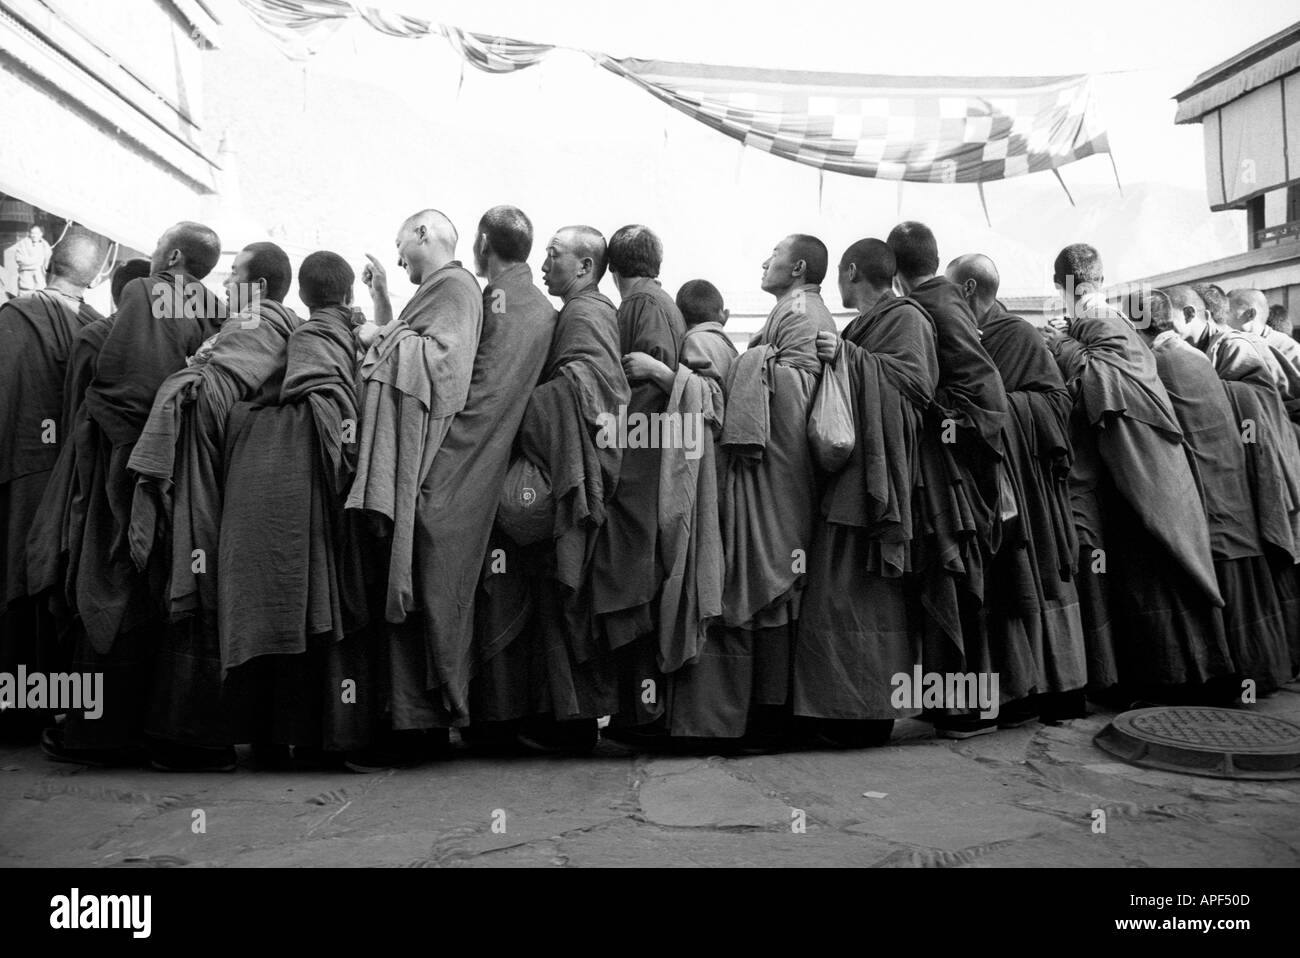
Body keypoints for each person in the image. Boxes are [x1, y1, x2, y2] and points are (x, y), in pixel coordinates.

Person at [39, 221, 224, 766]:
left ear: (171, 255)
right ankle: (164, 730)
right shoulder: (219, 310)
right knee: (169, 591)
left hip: (125, 468)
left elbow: (126, 391)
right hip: (187, 473)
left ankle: (100, 734)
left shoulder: (152, 292)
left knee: (111, 583)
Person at [126, 242, 301, 771]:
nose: (225, 287)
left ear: (261, 288)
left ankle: (201, 740)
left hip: (213, 481)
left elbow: (215, 389)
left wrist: (190, 378)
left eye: (235, 278)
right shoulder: (265, 324)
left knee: (196, 579)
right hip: (228, 479)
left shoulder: (260, 322)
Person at [1046, 245, 1230, 704]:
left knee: (1160, 574)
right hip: (1145, 468)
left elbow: (1099, 383)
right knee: (1158, 576)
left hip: (1144, 471)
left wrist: (1060, 345)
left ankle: (1181, 683)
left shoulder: (1096, 317)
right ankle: (1181, 680)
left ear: (1062, 285)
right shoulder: (1112, 322)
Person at [402, 205, 554, 751]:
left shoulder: (492, 298)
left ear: (483, 242)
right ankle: (473, 708)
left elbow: (463, 377)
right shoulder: (543, 306)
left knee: (429, 535)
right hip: (506, 464)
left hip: (468, 451)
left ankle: (446, 700)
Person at [218, 251, 371, 767]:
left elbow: (320, 397)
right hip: (308, 485)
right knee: (306, 613)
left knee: (284, 607)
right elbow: (326, 401)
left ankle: (277, 740)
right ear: (348, 296)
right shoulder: (340, 334)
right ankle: (307, 741)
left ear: (302, 296)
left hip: (284, 479)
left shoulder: (304, 334)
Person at [344, 209, 482, 769]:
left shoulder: (454, 285)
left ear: (424, 233)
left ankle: (415, 734)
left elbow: (442, 363)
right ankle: (405, 727)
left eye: (399, 240)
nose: (397, 253)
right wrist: (383, 309)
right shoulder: (434, 290)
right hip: (417, 458)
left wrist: (379, 334)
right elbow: (412, 341)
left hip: (428, 464)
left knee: (412, 590)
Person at [793, 239, 936, 747]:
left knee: (862, 599)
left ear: (851, 271)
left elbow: (917, 388)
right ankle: (835, 710)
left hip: (880, 481)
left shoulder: (908, 319)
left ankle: (869, 713)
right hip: (850, 477)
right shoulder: (857, 328)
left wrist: (849, 358)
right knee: (833, 597)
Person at [497, 225, 629, 753]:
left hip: (577, 475)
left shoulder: (586, 313)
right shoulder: (578, 312)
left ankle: (574, 724)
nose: (545, 263)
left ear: (585, 267)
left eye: (555, 255)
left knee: (567, 600)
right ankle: (567, 716)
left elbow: (595, 394)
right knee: (559, 601)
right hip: (566, 469)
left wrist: (514, 402)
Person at [946, 253, 1087, 723]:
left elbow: (1055, 401)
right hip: (988, 484)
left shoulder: (1018, 335)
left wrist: (995, 411)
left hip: (1028, 487)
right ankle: (1009, 694)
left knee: (1034, 578)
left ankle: (1055, 690)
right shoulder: (966, 339)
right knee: (998, 588)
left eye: (950, 289)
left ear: (968, 290)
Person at [887, 222, 1008, 738]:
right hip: (949, 457)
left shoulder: (935, 305)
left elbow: (985, 392)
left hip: (958, 461)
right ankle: (943, 701)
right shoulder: (938, 300)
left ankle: (970, 709)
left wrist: (936, 421)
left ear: (893, 268)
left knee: (959, 581)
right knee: (944, 580)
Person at [716, 234, 836, 747]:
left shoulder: (803, 311)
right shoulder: (791, 309)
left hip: (781, 466)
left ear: (798, 267)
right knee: (772, 585)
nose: (764, 260)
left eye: (775, 255)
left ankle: (774, 717)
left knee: (776, 583)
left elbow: (800, 392)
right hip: (774, 468)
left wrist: (754, 360)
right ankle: (767, 712)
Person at [1138, 289, 1290, 694]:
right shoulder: (1193, 356)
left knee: (1223, 597)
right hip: (1231, 491)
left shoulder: (1161, 360)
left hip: (1213, 501)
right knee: (1244, 595)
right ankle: (1259, 675)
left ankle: (1228, 684)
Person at [616, 279, 733, 742]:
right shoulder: (719, 338)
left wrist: (661, 373)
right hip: (716, 481)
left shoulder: (700, 342)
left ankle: (683, 721)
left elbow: (712, 402)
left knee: (688, 577)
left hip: (705, 481)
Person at [0, 233, 104, 741]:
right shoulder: (99, 327)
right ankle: (54, 706)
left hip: (20, 470)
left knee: (16, 586)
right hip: (74, 477)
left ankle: (15, 713)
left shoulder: (13, 318)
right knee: (55, 587)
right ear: (95, 277)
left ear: (45, 266)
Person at [598, 225, 686, 741]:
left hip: (639, 468)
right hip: (650, 463)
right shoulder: (661, 302)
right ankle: (640, 713)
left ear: (611, 269)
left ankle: (644, 717)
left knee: (632, 588)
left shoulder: (642, 307)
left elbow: (645, 393)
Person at [1230, 288, 1300, 418]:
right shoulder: (1233, 345)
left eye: (1228, 312)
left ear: (1250, 314)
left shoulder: (1287, 347)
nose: (1222, 318)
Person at [14, 225, 52, 295]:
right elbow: (19, 259)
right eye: (32, 233)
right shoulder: (23, 244)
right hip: (26, 279)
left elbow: (48, 262)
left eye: (37, 233)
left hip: (40, 278)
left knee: (40, 298)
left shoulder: (45, 245)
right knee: (24, 299)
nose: (34, 235)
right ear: (29, 233)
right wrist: (36, 261)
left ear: (41, 234)